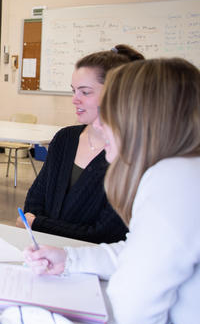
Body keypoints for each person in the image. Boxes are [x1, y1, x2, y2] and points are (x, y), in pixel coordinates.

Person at [25, 58, 200, 324]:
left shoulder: (173, 178)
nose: (101, 126)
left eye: (110, 114)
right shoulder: (186, 168)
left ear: (141, 119)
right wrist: (70, 259)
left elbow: (136, 314)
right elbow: (137, 250)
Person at [17, 45, 144, 243]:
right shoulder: (65, 138)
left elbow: (102, 233)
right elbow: (35, 198)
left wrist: (39, 224)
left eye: (85, 92)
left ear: (116, 94)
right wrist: (39, 225)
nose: (74, 100)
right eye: (73, 91)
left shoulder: (132, 154)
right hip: (46, 251)